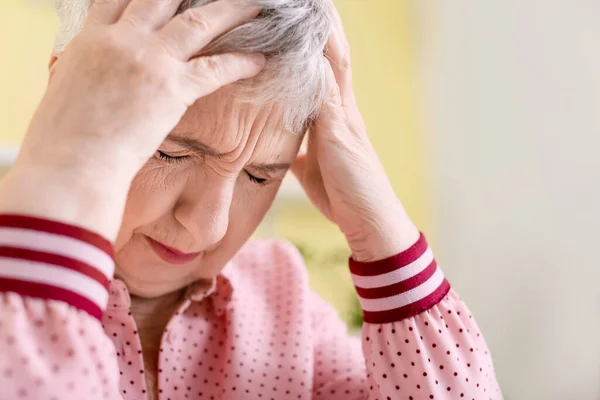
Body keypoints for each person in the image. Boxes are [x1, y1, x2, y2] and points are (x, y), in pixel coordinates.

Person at [0, 0, 502, 399]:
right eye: (172, 154)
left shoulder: (286, 307)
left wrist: (383, 233)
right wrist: (64, 167)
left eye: (261, 176)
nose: (209, 226)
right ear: (68, 97)